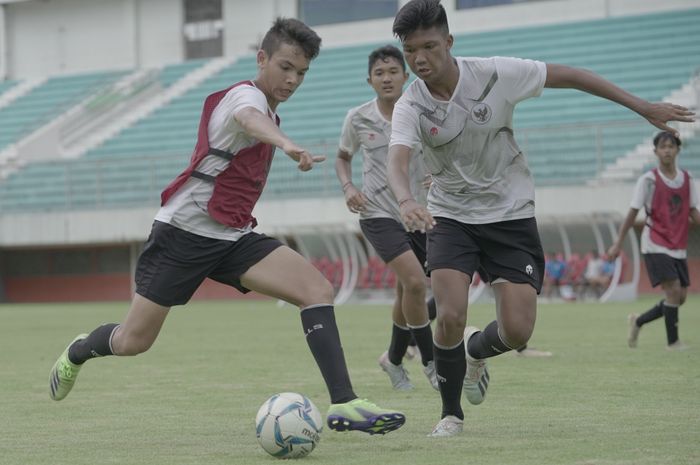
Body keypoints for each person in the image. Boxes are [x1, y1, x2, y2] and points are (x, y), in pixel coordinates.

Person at [48, 18, 405, 436]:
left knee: (317, 290)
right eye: (285, 67)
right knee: (133, 342)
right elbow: (250, 119)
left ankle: (345, 403)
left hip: (232, 236)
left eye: (302, 73)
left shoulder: (270, 108)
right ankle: (78, 351)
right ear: (262, 59)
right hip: (182, 235)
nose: (292, 80)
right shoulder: (244, 96)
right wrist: (285, 143)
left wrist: (281, 137)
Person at [386, 0, 694, 437]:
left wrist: (638, 105)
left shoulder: (496, 74)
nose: (419, 59)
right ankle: (450, 415)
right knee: (450, 314)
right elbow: (397, 161)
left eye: (429, 47)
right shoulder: (411, 103)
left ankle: (476, 352)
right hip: (452, 216)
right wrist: (404, 200)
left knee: (516, 331)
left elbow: (569, 75)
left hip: (511, 215)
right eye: (411, 50)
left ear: (449, 42)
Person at [335, 45, 438, 392]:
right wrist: (349, 187)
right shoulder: (358, 118)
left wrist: (437, 175)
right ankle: (430, 362)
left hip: (418, 214)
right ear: (370, 80)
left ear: (405, 76)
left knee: (404, 292)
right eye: (379, 73)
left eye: (393, 71)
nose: (387, 78)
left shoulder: (422, 114)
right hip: (377, 213)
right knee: (415, 283)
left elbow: (443, 154)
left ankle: (392, 360)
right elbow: (342, 158)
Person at [608, 131, 699, 351]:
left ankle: (638, 321)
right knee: (674, 291)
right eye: (663, 146)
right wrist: (618, 242)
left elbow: (693, 211)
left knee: (680, 297)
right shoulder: (648, 180)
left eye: (671, 146)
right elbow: (632, 213)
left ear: (678, 149)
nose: (667, 150)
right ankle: (673, 342)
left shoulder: (687, 179)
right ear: (655, 152)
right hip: (655, 242)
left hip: (678, 245)